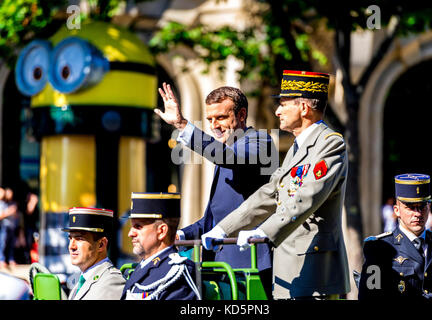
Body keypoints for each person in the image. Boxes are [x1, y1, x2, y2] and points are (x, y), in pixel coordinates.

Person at [202, 70, 350, 300]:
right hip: (288, 271)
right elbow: (270, 193)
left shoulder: (329, 145)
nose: (277, 111)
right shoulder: (297, 148)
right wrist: (224, 228)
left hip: (314, 273)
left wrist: (262, 231)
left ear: (303, 108)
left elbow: (305, 198)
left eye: (283, 104)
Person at [156, 83, 276, 296]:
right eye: (210, 119)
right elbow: (212, 221)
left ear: (241, 114)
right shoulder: (225, 153)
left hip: (249, 267)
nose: (214, 125)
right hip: (217, 268)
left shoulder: (260, 140)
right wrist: (182, 234)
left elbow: (228, 157)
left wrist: (182, 125)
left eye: (220, 117)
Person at [358, 173, 432, 300]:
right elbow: (370, 297)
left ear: (429, 208)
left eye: (422, 207)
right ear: (397, 210)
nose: (417, 213)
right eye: (410, 208)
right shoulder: (379, 248)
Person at [121, 192, 200, 300]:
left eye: (138, 226)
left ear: (161, 231)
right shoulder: (142, 267)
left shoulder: (176, 272)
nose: (130, 233)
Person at [62, 207, 125, 300]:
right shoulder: (80, 280)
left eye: (79, 239)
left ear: (101, 245)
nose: (71, 246)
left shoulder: (112, 281)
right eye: (70, 238)